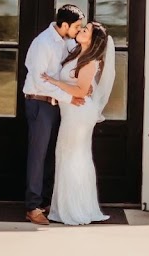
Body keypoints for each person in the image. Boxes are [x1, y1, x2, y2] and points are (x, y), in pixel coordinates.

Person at [41, 21, 116, 226]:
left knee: (73, 156)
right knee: (69, 155)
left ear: (93, 39)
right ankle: (69, 207)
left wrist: (54, 82)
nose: (81, 30)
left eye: (86, 30)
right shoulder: (76, 53)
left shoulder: (90, 62)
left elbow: (81, 91)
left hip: (79, 113)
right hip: (72, 111)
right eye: (82, 28)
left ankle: (75, 209)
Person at [23, 4, 86, 225]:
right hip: (39, 104)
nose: (79, 30)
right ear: (65, 25)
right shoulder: (43, 43)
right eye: (77, 26)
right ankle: (32, 207)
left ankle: (45, 201)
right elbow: (39, 80)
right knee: (38, 156)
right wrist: (70, 98)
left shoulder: (65, 42)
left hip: (55, 105)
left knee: (51, 155)